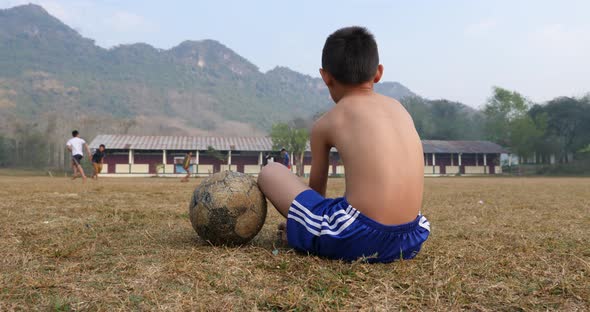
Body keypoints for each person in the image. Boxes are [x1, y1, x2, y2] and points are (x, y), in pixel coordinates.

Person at [258, 27, 430, 263]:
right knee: (343, 207)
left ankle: (311, 235)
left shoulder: (328, 122)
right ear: (378, 73)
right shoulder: (400, 109)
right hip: (410, 237)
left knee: (271, 171)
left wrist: (299, 227)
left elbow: (315, 194)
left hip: (358, 238)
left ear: (325, 76)